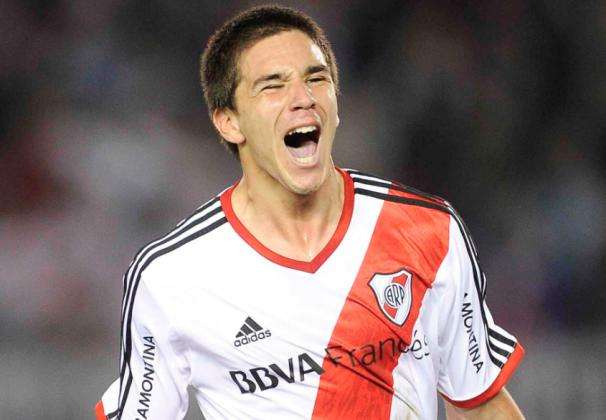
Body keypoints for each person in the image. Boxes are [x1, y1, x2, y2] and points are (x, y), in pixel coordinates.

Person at [95, 5, 524, 419]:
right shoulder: (171, 277)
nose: (302, 98)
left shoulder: (429, 231)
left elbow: (480, 404)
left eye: (316, 79)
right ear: (229, 122)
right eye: (273, 86)